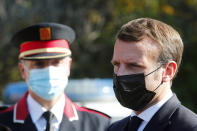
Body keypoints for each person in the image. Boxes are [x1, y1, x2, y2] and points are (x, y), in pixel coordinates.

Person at [0, 23, 110, 131]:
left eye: (56, 62)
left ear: (68, 66)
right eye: (39, 64)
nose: (49, 71)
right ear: (23, 70)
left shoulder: (97, 125)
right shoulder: (3, 121)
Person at [108, 18, 197, 131]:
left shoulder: (190, 128)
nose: (120, 74)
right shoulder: (114, 128)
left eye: (134, 66)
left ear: (168, 71)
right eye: (117, 64)